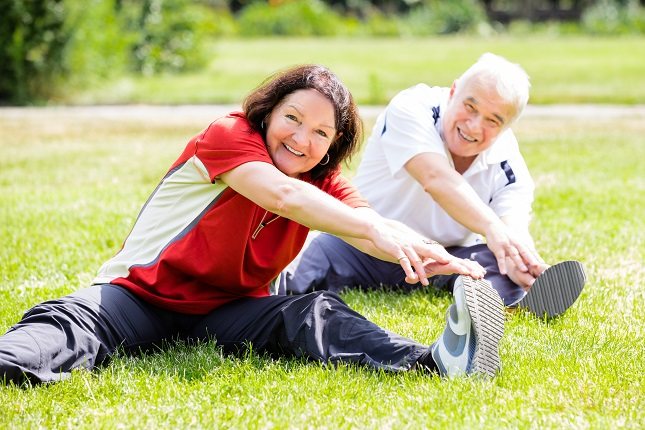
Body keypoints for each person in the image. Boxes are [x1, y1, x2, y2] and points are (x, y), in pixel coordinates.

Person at [0, 64, 505, 386]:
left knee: (312, 314)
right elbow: (283, 196)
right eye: (292, 118)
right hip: (138, 297)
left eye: (320, 133)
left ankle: (434, 362)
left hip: (229, 310)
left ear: (333, 146)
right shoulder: (228, 135)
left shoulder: (324, 181)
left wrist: (441, 259)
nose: (301, 139)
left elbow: (369, 224)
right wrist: (373, 231)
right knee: (64, 330)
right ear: (268, 112)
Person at [280, 54, 586, 318]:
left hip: (441, 259)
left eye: (493, 120)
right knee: (307, 265)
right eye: (470, 106)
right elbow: (435, 179)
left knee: (494, 259)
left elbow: (512, 225)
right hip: (362, 244)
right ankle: (271, 292)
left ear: (506, 127)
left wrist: (521, 258)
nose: (474, 125)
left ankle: (521, 297)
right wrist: (494, 229)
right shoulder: (412, 107)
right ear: (453, 92)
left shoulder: (508, 163)